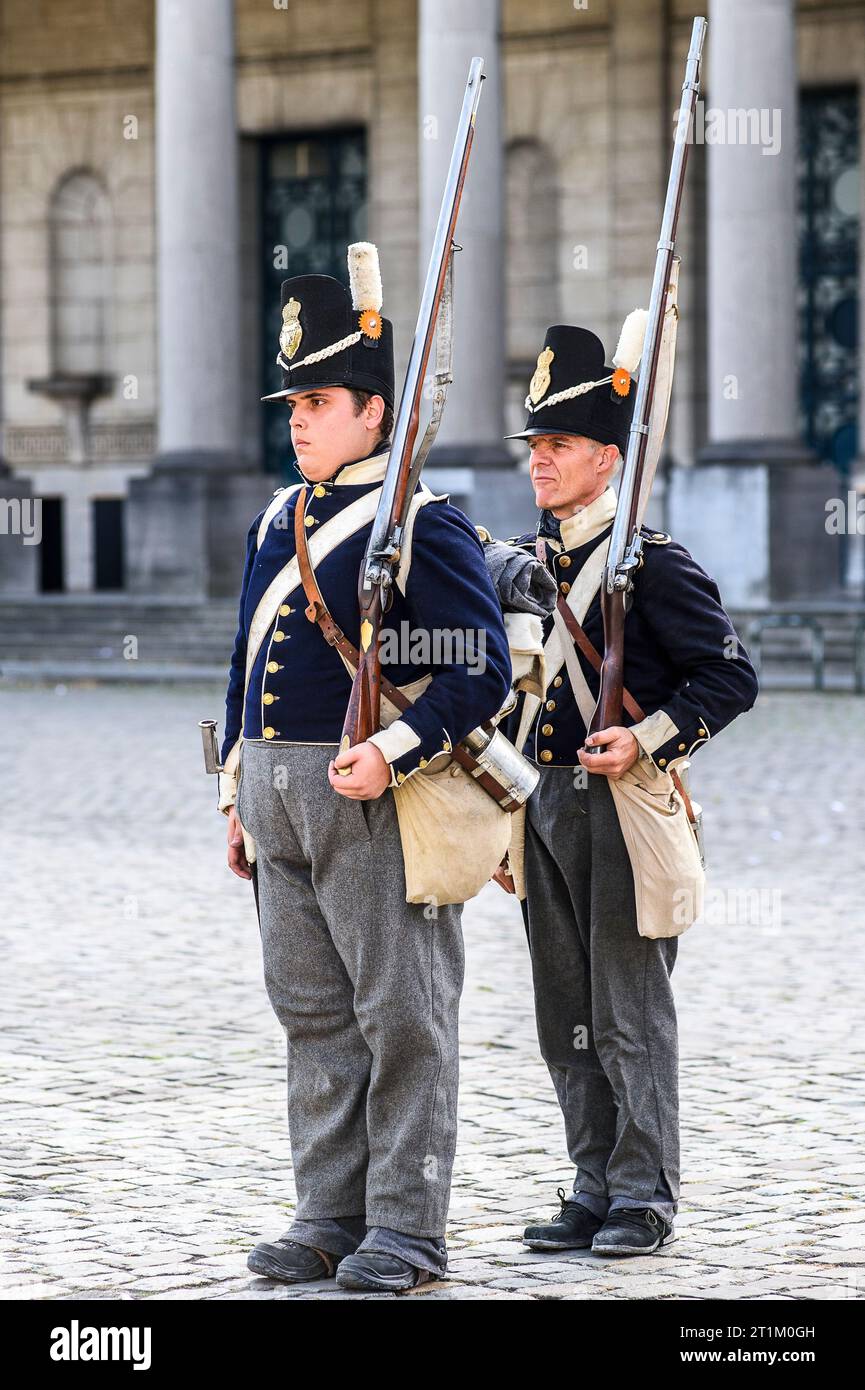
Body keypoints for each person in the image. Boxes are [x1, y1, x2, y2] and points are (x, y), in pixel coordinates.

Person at [219, 244, 512, 1291]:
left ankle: (405, 1227)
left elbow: (478, 671)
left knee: (403, 1017)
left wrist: (391, 751)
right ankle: (326, 1213)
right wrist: (234, 793)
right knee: (310, 1013)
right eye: (292, 399)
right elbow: (243, 660)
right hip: (276, 795)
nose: (297, 416)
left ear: (375, 413)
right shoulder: (276, 516)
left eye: (320, 398)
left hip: (373, 799)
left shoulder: (421, 524)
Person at [495, 322, 759, 1256]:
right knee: (562, 1010)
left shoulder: (652, 562)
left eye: (559, 447)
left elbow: (730, 679)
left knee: (628, 1011)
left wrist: (643, 739)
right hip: (540, 806)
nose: (541, 462)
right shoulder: (531, 568)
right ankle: (590, 1181)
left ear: (608, 460)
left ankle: (643, 1195)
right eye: (536, 446)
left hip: (623, 806)